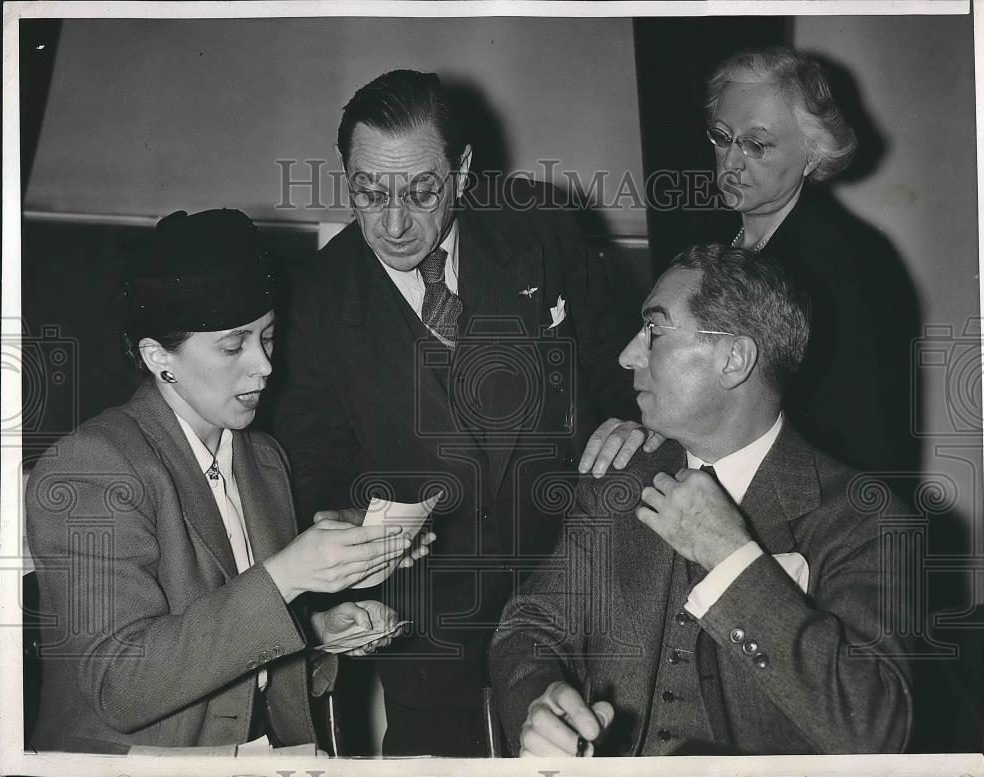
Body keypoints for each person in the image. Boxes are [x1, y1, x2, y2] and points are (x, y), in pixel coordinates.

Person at [273, 69, 634, 756]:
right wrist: (352, 515)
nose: (395, 222)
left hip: (573, 598)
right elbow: (316, 466)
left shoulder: (544, 230)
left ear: (462, 171)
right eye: (369, 192)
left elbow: (622, 367)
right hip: (424, 625)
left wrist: (628, 423)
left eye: (421, 189)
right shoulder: (315, 299)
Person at [25, 209, 434, 754]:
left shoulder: (262, 458)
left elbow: (240, 658)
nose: (263, 366)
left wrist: (318, 634)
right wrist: (286, 575)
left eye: (267, 338)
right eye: (232, 346)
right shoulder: (91, 468)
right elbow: (121, 685)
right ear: (158, 356)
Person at [489, 243, 912, 756]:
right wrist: (539, 702)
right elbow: (530, 626)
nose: (627, 355)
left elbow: (875, 733)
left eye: (655, 330)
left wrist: (733, 558)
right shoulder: (618, 479)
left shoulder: (860, 516)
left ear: (734, 359)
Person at [581, 46, 918, 483]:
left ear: (813, 154)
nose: (732, 162)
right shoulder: (703, 237)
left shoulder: (849, 262)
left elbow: (856, 436)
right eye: (722, 137)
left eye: (757, 145)